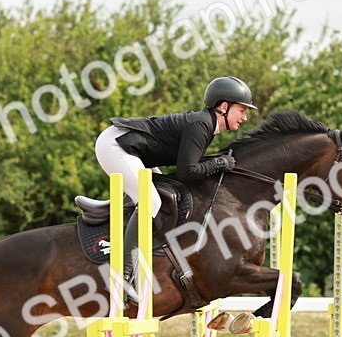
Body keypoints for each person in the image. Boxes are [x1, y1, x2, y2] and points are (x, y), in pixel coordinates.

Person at [94, 76, 256, 294]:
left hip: (132, 150)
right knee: (151, 200)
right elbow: (186, 172)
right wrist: (219, 162)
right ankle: (123, 276)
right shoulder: (202, 124)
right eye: (242, 110)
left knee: (161, 194)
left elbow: (186, 170)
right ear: (224, 106)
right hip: (116, 146)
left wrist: (216, 161)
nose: (245, 117)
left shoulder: (205, 124)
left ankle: (112, 215)